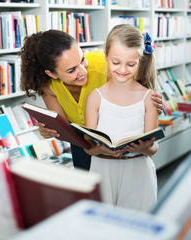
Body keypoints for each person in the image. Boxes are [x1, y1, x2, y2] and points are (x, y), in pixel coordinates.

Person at [18, 29, 163, 171]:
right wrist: (52, 131)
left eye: (82, 59)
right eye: (71, 70)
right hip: (83, 144)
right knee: (90, 191)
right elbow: (66, 130)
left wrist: (151, 104)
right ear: (52, 74)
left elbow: (138, 95)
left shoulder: (106, 64)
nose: (83, 71)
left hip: (120, 140)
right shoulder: (48, 87)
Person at [84, 24, 159, 212]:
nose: (123, 70)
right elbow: (89, 148)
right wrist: (104, 150)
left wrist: (144, 147)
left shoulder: (149, 98)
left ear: (140, 62)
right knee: (101, 226)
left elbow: (153, 147)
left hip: (138, 171)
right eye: (116, 62)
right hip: (102, 170)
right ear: (106, 56)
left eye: (131, 64)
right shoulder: (95, 97)